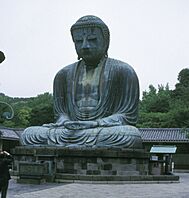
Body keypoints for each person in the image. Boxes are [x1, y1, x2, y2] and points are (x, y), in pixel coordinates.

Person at [21, 15, 143, 149]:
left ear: (105, 41)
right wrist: (66, 122)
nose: (85, 46)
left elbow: (126, 116)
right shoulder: (63, 75)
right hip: (69, 131)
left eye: (92, 39)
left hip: (102, 130)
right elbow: (61, 114)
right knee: (29, 134)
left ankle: (72, 143)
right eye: (79, 41)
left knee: (129, 135)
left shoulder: (123, 71)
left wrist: (95, 124)